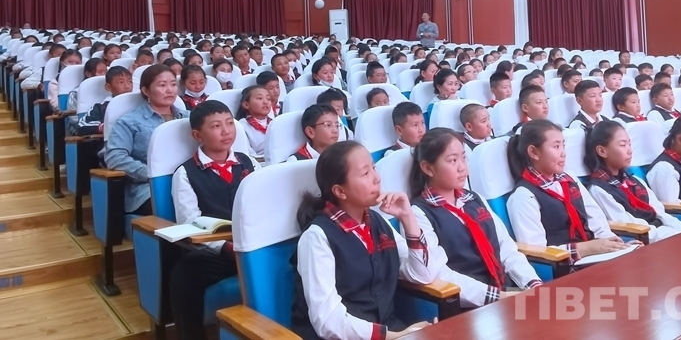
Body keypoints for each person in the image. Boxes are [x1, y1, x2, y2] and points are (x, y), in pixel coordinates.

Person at [293, 141, 439, 340]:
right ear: (340, 191)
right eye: (365, 173)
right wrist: (394, 335)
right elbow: (328, 321)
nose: (377, 178)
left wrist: (407, 217)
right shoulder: (317, 237)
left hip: (390, 331)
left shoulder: (376, 221)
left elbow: (423, 274)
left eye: (374, 168)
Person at [408, 128, 541, 308]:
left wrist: (532, 284)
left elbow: (506, 248)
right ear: (427, 168)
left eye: (463, 158)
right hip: (473, 305)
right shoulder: (419, 214)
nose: (462, 167)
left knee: (557, 312)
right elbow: (440, 274)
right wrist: (499, 297)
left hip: (506, 291)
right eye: (453, 160)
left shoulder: (475, 199)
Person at [169, 101, 260, 340]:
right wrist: (226, 248)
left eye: (230, 123)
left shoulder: (249, 163)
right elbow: (190, 222)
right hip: (219, 253)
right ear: (197, 135)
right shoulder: (185, 173)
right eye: (216, 126)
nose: (226, 131)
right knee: (185, 272)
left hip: (254, 245)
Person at [506, 120, 632, 264]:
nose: (563, 153)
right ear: (534, 152)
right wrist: (587, 248)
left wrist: (615, 245)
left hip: (594, 255)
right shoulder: (523, 196)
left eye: (563, 146)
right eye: (556, 146)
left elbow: (596, 219)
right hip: (565, 265)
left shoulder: (569, 179)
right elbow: (538, 253)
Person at [584, 121, 681, 242]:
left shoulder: (635, 181)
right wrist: (673, 235)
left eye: (629, 144)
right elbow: (628, 225)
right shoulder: (599, 190)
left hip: (662, 233)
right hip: (645, 240)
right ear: (602, 151)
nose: (630, 150)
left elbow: (660, 213)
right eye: (622, 145)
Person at [104, 64, 186, 215]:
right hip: (148, 187)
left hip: (189, 182)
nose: (170, 90)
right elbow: (115, 157)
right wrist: (152, 174)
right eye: (162, 85)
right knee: (180, 203)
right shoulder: (129, 121)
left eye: (173, 84)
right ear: (146, 90)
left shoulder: (189, 118)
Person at [76, 67, 133, 136]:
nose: (127, 86)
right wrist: (103, 126)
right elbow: (81, 125)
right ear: (108, 87)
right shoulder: (101, 107)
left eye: (130, 82)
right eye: (120, 82)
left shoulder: (138, 104)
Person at [237, 85, 272, 159]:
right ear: (246, 104)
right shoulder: (241, 125)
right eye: (259, 98)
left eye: (268, 99)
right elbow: (249, 154)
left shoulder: (275, 122)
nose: (265, 102)